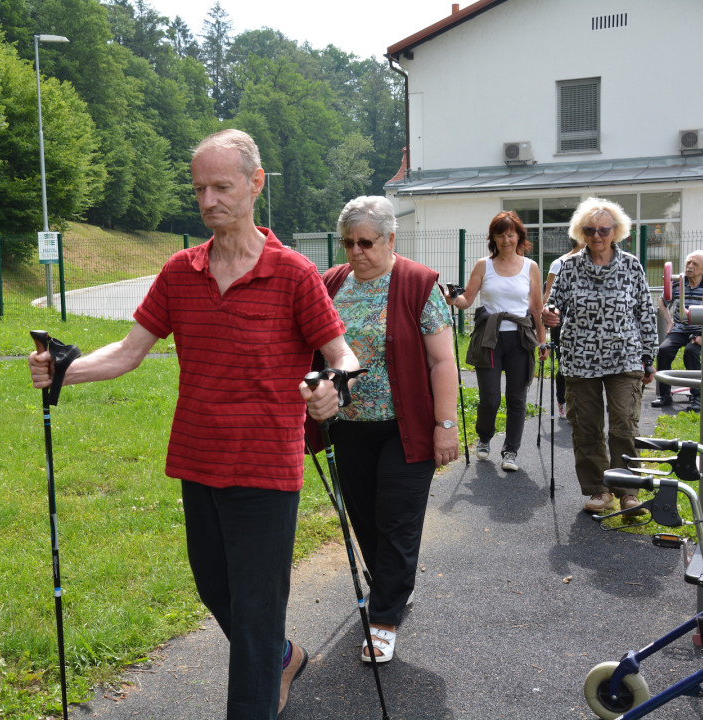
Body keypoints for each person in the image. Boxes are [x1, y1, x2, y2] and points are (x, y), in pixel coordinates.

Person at [29, 129, 360, 719]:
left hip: (266, 468)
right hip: (198, 459)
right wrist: (63, 371)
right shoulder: (181, 271)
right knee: (215, 588)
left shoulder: (294, 273)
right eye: (200, 189)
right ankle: (282, 657)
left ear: (255, 184)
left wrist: (332, 386)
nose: (209, 200)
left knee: (255, 613)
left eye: (221, 187)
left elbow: (342, 355)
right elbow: (128, 351)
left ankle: (261, 678)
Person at [305, 196, 459, 664]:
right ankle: (393, 587)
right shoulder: (332, 283)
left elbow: (442, 361)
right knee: (366, 519)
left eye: (366, 242)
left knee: (396, 520)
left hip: (405, 428)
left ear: (391, 239)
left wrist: (446, 425)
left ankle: (384, 619)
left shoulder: (417, 284)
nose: (356, 251)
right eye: (348, 242)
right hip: (348, 428)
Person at [542, 197, 658, 515]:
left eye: (603, 230)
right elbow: (553, 305)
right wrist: (549, 314)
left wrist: (649, 356)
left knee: (624, 424)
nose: (597, 236)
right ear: (581, 232)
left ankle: (628, 491)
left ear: (615, 231)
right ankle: (598, 489)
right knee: (586, 427)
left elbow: (645, 314)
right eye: (590, 230)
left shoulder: (631, 266)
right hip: (580, 359)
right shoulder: (568, 268)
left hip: (624, 357)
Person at [445, 210, 546, 472]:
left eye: (510, 235)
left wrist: (542, 341)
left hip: (520, 338)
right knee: (490, 397)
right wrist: (453, 299)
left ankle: (511, 451)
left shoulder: (531, 267)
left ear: (519, 236)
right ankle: (485, 436)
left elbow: (537, 308)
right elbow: (467, 299)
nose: (506, 240)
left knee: (517, 398)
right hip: (489, 338)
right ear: (493, 238)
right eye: (500, 235)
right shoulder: (483, 265)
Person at [652, 250, 703, 414]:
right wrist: (669, 322)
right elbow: (663, 301)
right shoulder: (678, 282)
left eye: (694, 264)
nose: (689, 266)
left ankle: (697, 396)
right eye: (688, 262)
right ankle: (664, 395)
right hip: (681, 328)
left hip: (702, 329)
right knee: (663, 351)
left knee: (691, 352)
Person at [543, 236, 583, 417]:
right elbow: (548, 295)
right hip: (561, 322)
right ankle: (562, 400)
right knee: (564, 362)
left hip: (581, 323)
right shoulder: (559, 264)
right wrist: (545, 320)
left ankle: (579, 401)